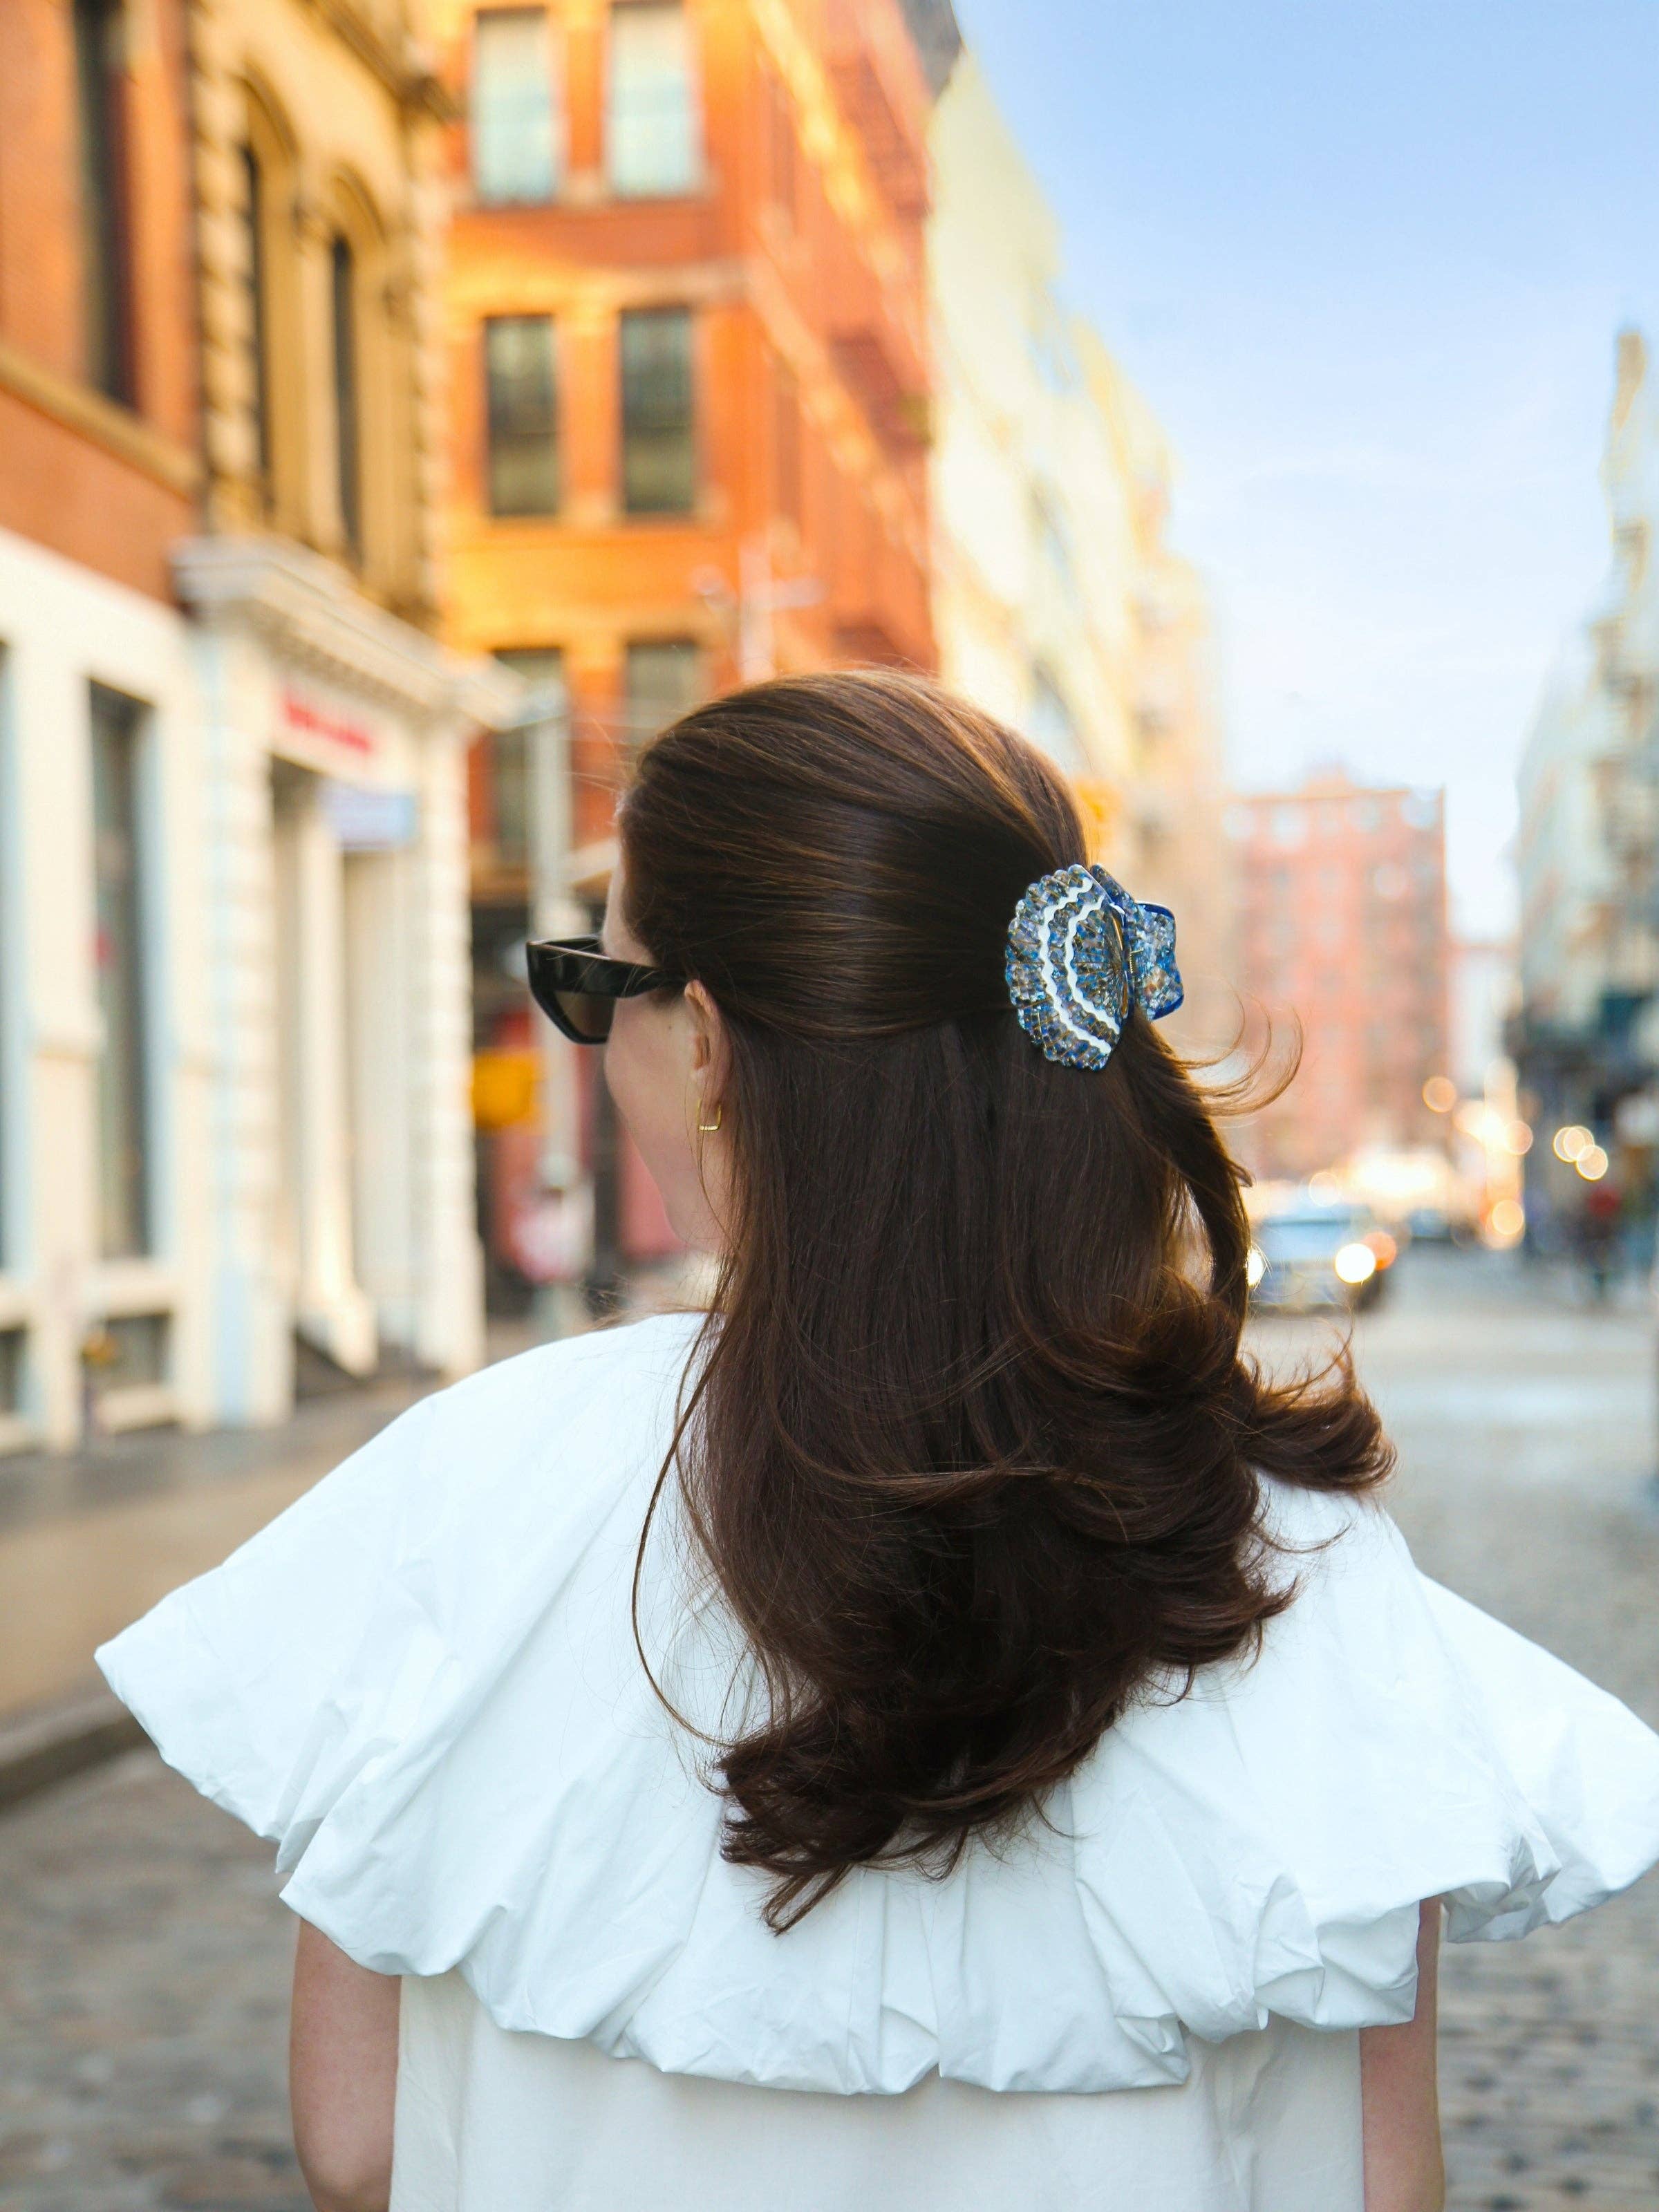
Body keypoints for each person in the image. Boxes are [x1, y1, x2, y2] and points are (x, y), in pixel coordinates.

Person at [98, 673, 1659, 2212]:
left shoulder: (471, 1490)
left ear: (706, 1039)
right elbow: (1387, 2181)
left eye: (597, 982)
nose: (594, 1038)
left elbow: (358, 2141)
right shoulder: (1300, 1559)